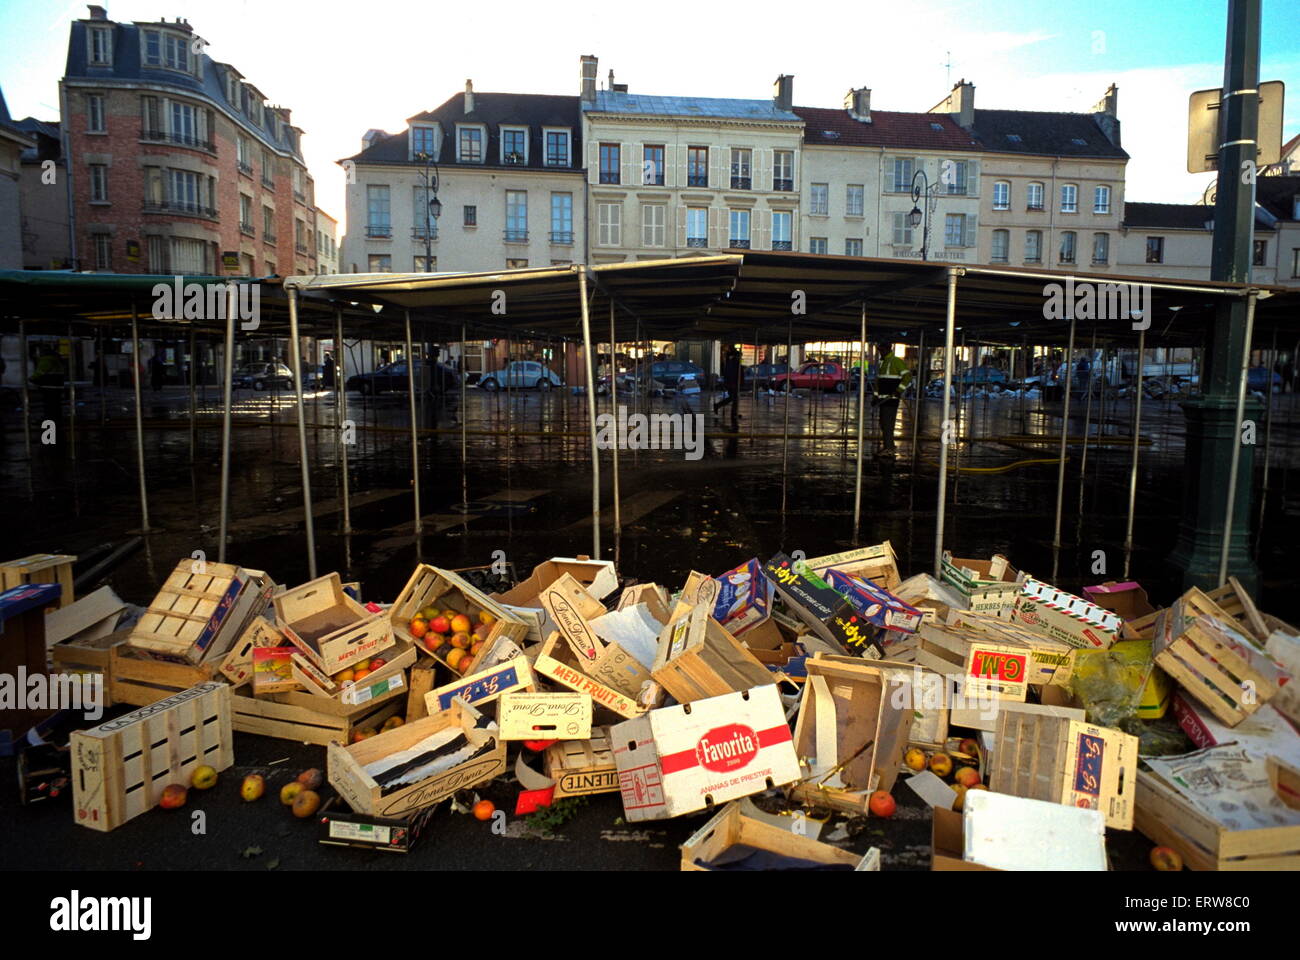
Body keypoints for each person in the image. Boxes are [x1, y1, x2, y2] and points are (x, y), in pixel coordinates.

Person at [874, 345, 913, 455]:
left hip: (891, 399)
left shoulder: (896, 361)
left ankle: (889, 448)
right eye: (879, 350)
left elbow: (907, 377)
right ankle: (888, 446)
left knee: (887, 424)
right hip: (883, 400)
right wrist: (875, 396)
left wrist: (898, 391)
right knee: (883, 424)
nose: (880, 352)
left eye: (881, 350)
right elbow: (879, 382)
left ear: (887, 349)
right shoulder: (883, 362)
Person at [31, 344, 66, 423]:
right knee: (56, 404)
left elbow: (40, 372)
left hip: (49, 386)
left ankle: (49, 418)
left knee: (49, 404)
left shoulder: (46, 359)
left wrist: (31, 378)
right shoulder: (56, 359)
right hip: (58, 385)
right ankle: (57, 418)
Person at [713, 347, 742, 426]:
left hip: (733, 383)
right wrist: (731, 384)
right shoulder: (733, 363)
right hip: (733, 384)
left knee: (732, 399)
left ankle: (719, 406)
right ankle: (733, 414)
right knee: (734, 399)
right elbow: (732, 374)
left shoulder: (732, 363)